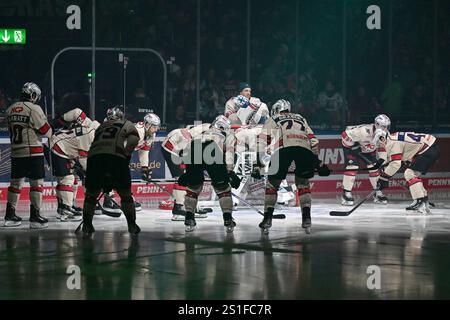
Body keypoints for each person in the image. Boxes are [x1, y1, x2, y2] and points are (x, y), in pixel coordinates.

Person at [257, 99, 330, 234]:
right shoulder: (301, 118)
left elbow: (263, 139)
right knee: (303, 184)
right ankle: (306, 218)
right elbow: (313, 141)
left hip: (284, 149)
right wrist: (317, 161)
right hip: (304, 149)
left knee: (272, 184)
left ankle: (267, 218)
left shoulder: (274, 118)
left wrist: (258, 161)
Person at [81, 106, 141, 237]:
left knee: (91, 194)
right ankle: (132, 225)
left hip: (94, 158)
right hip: (115, 157)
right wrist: (127, 153)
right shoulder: (126, 123)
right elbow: (134, 139)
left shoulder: (101, 126)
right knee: (125, 194)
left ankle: (87, 225)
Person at [178, 115, 241, 232]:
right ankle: (227, 219)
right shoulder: (229, 135)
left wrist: (187, 172)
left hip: (194, 148)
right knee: (222, 188)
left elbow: (187, 145)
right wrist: (230, 171)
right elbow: (229, 153)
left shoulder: (203, 130)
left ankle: (189, 218)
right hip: (212, 150)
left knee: (193, 186)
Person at [3, 82, 52, 228]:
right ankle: (35, 216)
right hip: (33, 152)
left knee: (15, 185)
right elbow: (46, 131)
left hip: (16, 152)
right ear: (32, 95)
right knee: (36, 184)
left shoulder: (10, 109)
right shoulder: (34, 108)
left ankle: (10, 215)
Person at [49, 108, 100, 221]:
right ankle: (65, 210)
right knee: (67, 179)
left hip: (63, 150)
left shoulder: (91, 128)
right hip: (57, 148)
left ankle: (66, 207)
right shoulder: (89, 135)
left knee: (73, 180)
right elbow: (84, 159)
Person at [376, 131, 440, 214]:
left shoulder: (391, 143)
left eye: (379, 143)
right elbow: (409, 148)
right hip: (430, 147)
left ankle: (419, 201)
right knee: (414, 174)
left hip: (428, 149)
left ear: (382, 138)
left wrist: (383, 178)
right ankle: (423, 200)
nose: (379, 146)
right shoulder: (393, 138)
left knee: (409, 173)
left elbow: (395, 164)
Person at [161, 122, 212, 220]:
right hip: (172, 150)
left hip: (174, 146)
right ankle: (178, 207)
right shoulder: (190, 139)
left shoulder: (203, 130)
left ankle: (190, 205)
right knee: (183, 176)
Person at [341, 114, 391, 206]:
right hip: (353, 148)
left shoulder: (385, 134)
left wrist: (382, 160)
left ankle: (377, 192)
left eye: (387, 126)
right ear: (377, 124)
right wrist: (352, 146)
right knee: (352, 167)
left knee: (374, 168)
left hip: (368, 149)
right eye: (383, 126)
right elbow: (344, 135)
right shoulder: (363, 131)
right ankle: (346, 193)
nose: (385, 128)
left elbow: (381, 147)